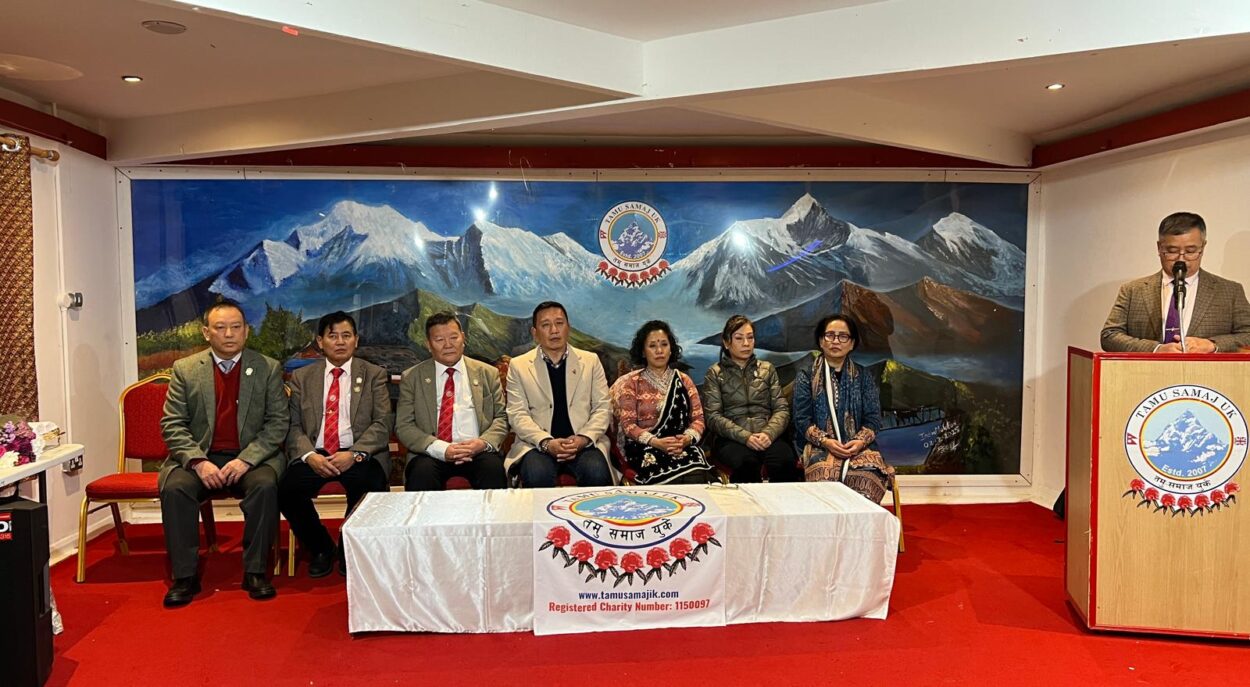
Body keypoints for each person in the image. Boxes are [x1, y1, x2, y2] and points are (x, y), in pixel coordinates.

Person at [158, 300, 288, 606]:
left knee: (265, 485)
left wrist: (246, 460)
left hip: (251, 456)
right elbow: (172, 423)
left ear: (246, 331)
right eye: (220, 327)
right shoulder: (185, 369)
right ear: (206, 332)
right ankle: (185, 576)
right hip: (202, 455)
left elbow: (277, 423)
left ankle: (255, 571)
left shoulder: (268, 367)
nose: (229, 334)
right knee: (175, 488)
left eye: (236, 327)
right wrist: (198, 462)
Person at [279, 311, 391, 578]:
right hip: (315, 452)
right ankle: (321, 548)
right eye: (333, 336)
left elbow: (383, 423)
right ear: (320, 341)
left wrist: (355, 454)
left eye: (346, 336)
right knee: (286, 491)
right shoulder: (302, 377)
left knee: (370, 484)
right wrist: (309, 455)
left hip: (358, 452)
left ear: (356, 340)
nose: (340, 342)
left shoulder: (374, 374)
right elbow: (293, 426)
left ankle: (347, 548)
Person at [1101, 211, 1250, 353]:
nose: (1181, 259)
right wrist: (1156, 349)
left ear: (1203, 247)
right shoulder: (1133, 290)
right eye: (1172, 251)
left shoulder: (1230, 291)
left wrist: (1213, 345)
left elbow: (1247, 335)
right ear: (1159, 248)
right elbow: (1109, 335)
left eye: (1190, 251)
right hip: (1148, 370)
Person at [396, 311, 509, 491]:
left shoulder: (487, 373)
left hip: (478, 451)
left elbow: (501, 418)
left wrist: (481, 443)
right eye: (439, 340)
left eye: (454, 337)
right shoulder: (412, 377)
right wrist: (441, 449)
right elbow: (404, 425)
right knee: (421, 473)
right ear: (428, 344)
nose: (448, 345)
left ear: (463, 337)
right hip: (431, 452)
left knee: (492, 470)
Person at [505, 301, 614, 487]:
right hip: (537, 444)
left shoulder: (590, 361)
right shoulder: (519, 366)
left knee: (596, 471)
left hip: (583, 443)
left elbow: (603, 408)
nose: (554, 330)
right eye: (546, 325)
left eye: (559, 323)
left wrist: (583, 438)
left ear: (568, 327)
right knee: (537, 474)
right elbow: (517, 414)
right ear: (534, 333)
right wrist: (546, 442)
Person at [792, 314, 894, 503]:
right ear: (821, 341)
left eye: (843, 336)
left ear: (852, 343)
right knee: (824, 480)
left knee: (868, 476)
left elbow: (873, 418)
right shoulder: (806, 375)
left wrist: (859, 442)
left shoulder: (864, 376)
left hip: (859, 448)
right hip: (819, 447)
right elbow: (801, 419)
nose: (836, 341)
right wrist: (826, 442)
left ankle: (861, 523)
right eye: (830, 335)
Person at [611, 321, 714, 485]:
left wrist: (686, 439)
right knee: (675, 479)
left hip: (680, 447)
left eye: (664, 345)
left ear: (671, 348)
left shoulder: (684, 380)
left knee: (699, 475)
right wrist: (656, 442)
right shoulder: (632, 383)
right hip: (645, 447)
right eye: (652, 346)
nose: (659, 351)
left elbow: (698, 419)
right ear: (643, 351)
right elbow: (628, 425)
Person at [702, 315, 799, 483]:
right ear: (726, 342)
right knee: (746, 464)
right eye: (739, 338)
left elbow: (781, 409)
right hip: (732, 438)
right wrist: (746, 437)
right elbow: (713, 417)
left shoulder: (767, 369)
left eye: (750, 337)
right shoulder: (715, 373)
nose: (746, 343)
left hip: (768, 435)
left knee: (784, 461)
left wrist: (768, 433)